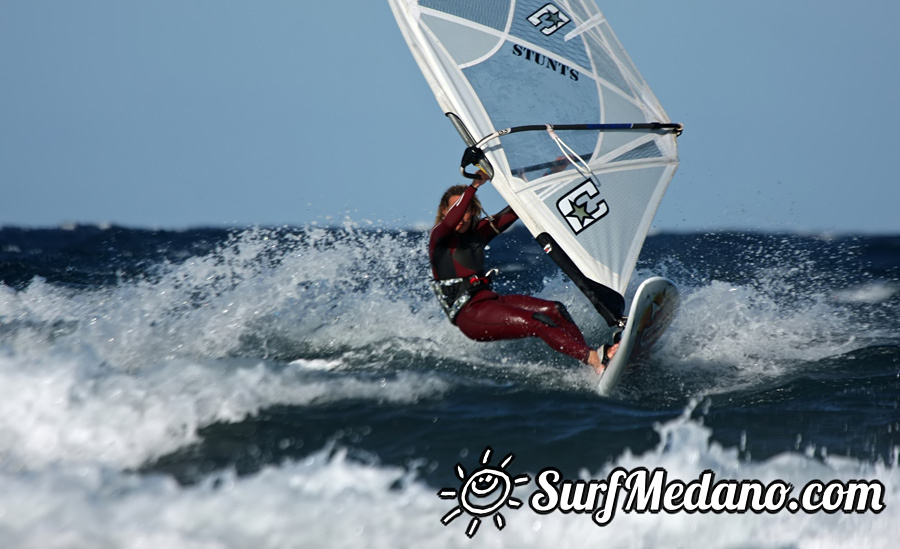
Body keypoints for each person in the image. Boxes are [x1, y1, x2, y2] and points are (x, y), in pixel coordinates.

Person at [428, 170, 617, 373]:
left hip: (491, 301)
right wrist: (474, 186)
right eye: (455, 209)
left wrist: (550, 174)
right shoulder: (439, 238)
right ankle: (594, 359)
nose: (461, 218)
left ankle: (591, 362)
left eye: (466, 211)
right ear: (445, 211)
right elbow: (451, 220)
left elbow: (515, 210)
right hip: (469, 314)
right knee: (537, 322)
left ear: (473, 211)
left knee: (555, 310)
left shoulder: (478, 233)